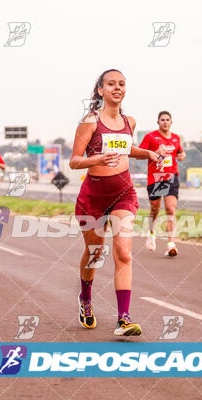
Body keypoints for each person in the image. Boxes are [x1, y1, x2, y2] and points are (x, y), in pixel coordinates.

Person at [70, 69, 163, 336]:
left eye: (122, 84)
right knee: (96, 254)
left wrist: (148, 153)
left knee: (123, 252)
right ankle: (85, 299)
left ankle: (124, 317)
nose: (117, 88)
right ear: (100, 90)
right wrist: (97, 159)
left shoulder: (129, 121)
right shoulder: (89, 121)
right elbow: (75, 161)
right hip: (93, 197)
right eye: (111, 84)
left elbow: (126, 149)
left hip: (124, 193)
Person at [138, 111, 186, 256]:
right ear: (158, 122)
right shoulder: (150, 137)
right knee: (155, 209)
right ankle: (152, 234)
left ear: (171, 122)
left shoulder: (176, 138)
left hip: (171, 177)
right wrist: (154, 151)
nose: (165, 122)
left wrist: (183, 155)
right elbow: (139, 154)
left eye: (167, 120)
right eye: (162, 120)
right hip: (156, 178)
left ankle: (171, 244)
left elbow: (180, 153)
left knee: (171, 209)